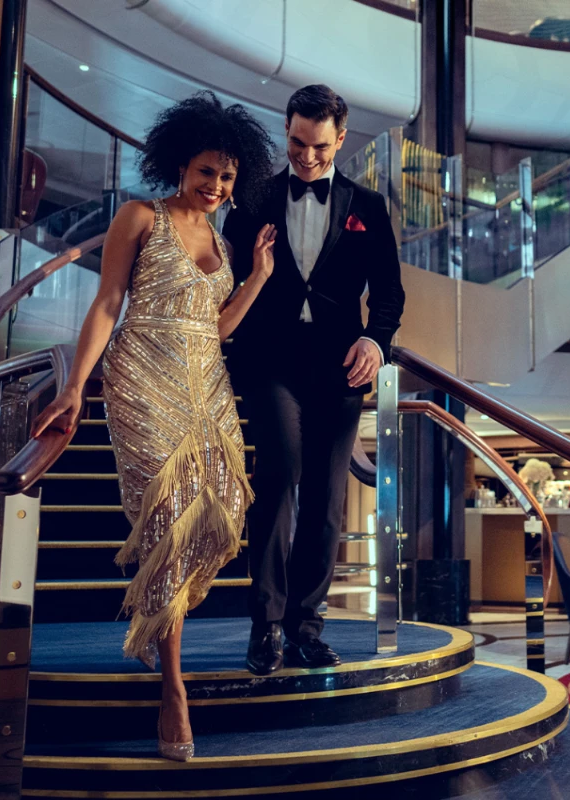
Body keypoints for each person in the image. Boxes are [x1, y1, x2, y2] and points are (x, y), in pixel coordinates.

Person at [30, 92, 277, 761]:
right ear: (180, 163)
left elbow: (218, 327)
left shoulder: (225, 243)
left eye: (227, 177)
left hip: (207, 382)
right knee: (167, 514)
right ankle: (173, 685)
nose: (217, 186)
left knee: (222, 506)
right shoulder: (140, 216)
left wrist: (255, 277)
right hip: (142, 374)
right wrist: (77, 385)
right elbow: (109, 301)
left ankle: (157, 620)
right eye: (206, 172)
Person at [223, 85, 405, 676]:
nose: (305, 157)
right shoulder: (252, 198)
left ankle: (306, 626)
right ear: (287, 129)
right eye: (297, 143)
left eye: (319, 147)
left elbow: (389, 296)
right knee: (278, 480)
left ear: (342, 139)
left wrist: (376, 343)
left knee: (328, 502)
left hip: (340, 366)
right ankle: (265, 626)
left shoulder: (369, 208)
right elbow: (225, 282)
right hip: (271, 360)